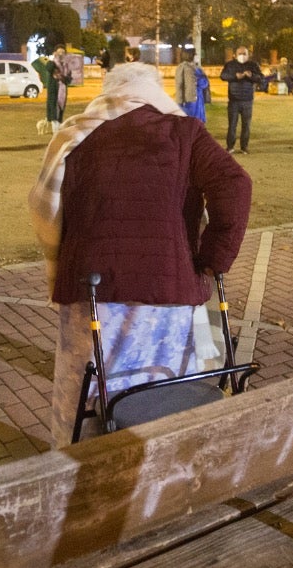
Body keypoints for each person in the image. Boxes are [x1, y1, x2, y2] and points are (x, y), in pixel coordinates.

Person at [29, 62, 251, 447]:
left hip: (92, 288)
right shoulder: (185, 132)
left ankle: (79, 462)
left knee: (90, 384)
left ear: (109, 92)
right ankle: (158, 462)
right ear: (155, 92)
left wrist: (62, 259)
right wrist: (212, 258)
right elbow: (235, 184)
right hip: (169, 283)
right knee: (164, 383)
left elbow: (43, 206)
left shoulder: (77, 133)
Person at [219, 46, 266, 154]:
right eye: (240, 53)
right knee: (232, 125)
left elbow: (261, 78)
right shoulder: (230, 65)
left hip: (247, 100)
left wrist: (251, 76)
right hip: (233, 100)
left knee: (246, 125)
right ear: (235, 55)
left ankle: (244, 147)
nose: (242, 56)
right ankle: (230, 147)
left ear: (248, 55)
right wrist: (235, 76)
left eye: (244, 53)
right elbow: (223, 76)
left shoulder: (253, 65)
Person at [174, 48, 208, 123]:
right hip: (190, 100)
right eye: (195, 54)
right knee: (192, 122)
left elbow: (204, 83)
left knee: (197, 122)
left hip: (196, 98)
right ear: (190, 55)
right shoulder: (186, 67)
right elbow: (179, 85)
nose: (197, 56)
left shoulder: (196, 68)